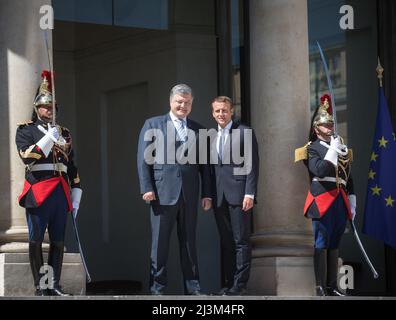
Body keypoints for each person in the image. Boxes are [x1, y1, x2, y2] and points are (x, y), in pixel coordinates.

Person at [137, 84, 212, 295]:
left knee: (189, 244)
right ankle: (157, 290)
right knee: (159, 245)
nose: (183, 106)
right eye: (179, 101)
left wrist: (206, 193)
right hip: (162, 193)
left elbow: (205, 166)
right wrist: (146, 187)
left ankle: (193, 289)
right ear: (171, 102)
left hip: (189, 194)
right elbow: (143, 160)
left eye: (187, 102)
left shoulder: (199, 129)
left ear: (192, 104)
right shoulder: (153, 124)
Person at [15, 71, 82, 296]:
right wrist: (47, 138)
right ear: (37, 108)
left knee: (58, 240)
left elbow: (70, 164)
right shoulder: (26, 130)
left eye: (52, 106)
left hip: (60, 191)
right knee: (35, 239)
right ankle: (40, 286)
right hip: (39, 190)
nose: (49, 110)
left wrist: (77, 191)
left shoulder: (64, 132)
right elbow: (27, 156)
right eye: (45, 106)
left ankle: (53, 284)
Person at [297, 94, 356, 296]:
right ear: (316, 128)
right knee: (321, 242)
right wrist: (332, 149)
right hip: (322, 199)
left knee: (335, 242)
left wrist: (352, 202)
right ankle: (320, 286)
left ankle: (332, 286)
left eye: (331, 124)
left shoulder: (341, 149)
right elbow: (319, 170)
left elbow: (349, 179)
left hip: (340, 199)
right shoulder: (311, 149)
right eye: (325, 124)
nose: (330, 127)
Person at [210, 96, 259, 295]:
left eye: (224, 110)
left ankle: (240, 286)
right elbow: (210, 169)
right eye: (217, 111)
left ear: (231, 111)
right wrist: (208, 195)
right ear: (212, 113)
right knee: (226, 242)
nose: (221, 114)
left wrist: (250, 192)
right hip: (218, 196)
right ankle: (229, 284)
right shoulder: (210, 135)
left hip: (240, 195)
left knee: (241, 241)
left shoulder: (244, 132)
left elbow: (253, 165)